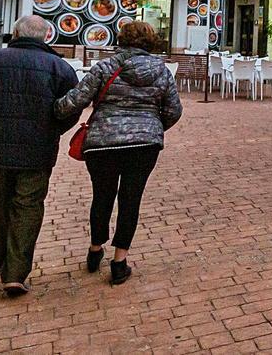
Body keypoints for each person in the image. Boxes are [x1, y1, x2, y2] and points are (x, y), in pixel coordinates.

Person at [0, 15, 79, 297]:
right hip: (37, 150)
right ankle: (15, 271)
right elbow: (71, 107)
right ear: (47, 37)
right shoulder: (59, 67)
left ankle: (1, 254)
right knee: (28, 206)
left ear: (15, 33)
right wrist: (53, 131)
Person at [55, 21, 181, 285]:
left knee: (102, 196)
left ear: (122, 40)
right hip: (144, 145)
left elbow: (75, 100)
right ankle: (119, 260)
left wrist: (50, 109)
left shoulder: (106, 67)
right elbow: (173, 110)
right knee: (130, 200)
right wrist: (153, 126)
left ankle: (95, 248)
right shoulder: (162, 71)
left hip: (103, 143)